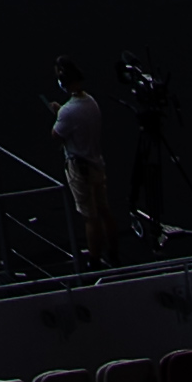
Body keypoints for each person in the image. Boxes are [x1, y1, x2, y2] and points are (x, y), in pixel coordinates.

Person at [51, 59, 117, 263]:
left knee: (90, 216)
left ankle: (95, 258)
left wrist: (57, 114)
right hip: (97, 163)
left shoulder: (67, 112)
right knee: (105, 210)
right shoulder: (91, 102)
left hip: (80, 168)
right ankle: (113, 252)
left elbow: (56, 135)